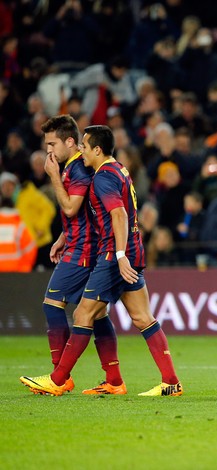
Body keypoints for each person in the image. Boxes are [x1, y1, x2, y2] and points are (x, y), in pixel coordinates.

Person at [20, 125, 182, 397]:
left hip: (113, 255)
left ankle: (58, 380)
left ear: (97, 149)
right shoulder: (119, 169)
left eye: (84, 146)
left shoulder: (102, 178)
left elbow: (118, 215)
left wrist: (118, 256)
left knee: (84, 314)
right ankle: (169, 382)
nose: (81, 150)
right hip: (132, 250)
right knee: (143, 317)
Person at [38, 115, 125, 395]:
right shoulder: (75, 167)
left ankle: (58, 375)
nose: (49, 150)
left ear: (70, 141)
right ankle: (113, 379)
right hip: (80, 244)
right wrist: (63, 237)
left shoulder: (78, 169)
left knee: (53, 303)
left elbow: (72, 208)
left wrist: (53, 177)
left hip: (85, 250)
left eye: (53, 143)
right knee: (97, 314)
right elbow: (86, 211)